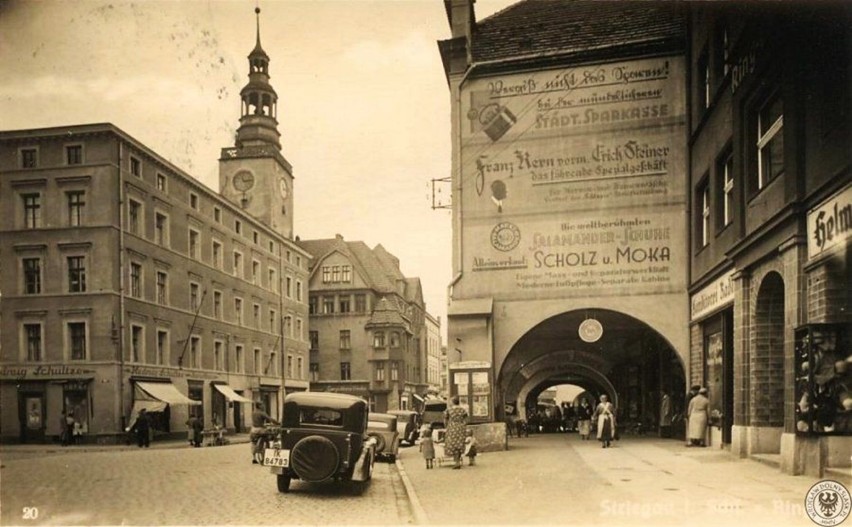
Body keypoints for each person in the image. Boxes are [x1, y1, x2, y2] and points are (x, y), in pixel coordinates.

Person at [443, 396, 469, 469]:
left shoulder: (449, 410)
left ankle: (456, 462)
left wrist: (446, 426)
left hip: (452, 428)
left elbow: (445, 420)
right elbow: (466, 419)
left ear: (452, 402)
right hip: (461, 428)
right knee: (460, 444)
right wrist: (463, 424)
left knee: (453, 444)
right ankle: (458, 460)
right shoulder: (462, 410)